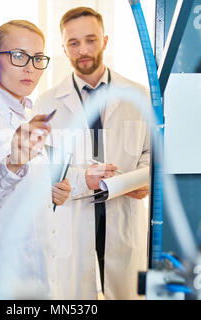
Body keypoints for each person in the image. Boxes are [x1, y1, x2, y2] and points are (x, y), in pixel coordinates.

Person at [33, 7, 150, 299]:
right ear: (63, 48)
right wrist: (83, 179)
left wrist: (144, 180)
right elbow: (41, 166)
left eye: (90, 40)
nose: (83, 50)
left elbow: (151, 152)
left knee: (125, 292)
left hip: (123, 214)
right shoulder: (47, 102)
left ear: (105, 41)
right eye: (73, 43)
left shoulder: (138, 94)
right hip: (73, 219)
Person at [0, 20, 71, 298]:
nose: (30, 67)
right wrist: (12, 165)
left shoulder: (27, 112)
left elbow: (22, 190)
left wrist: (50, 190)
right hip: (3, 274)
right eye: (18, 56)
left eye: (38, 58)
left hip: (38, 269)